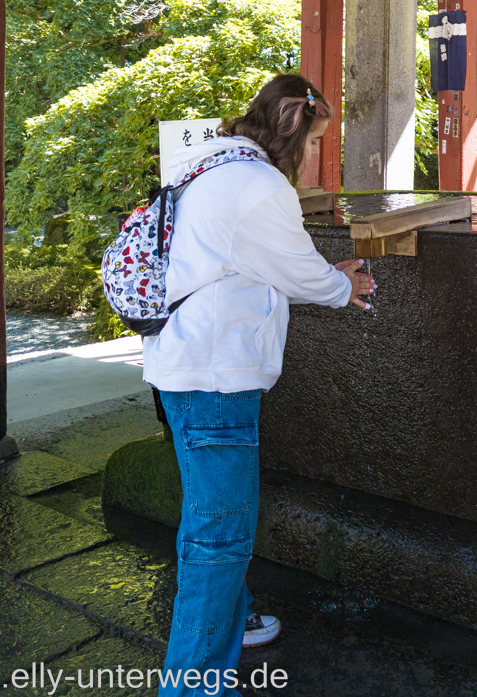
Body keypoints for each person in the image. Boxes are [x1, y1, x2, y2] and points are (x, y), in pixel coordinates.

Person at [142, 74, 375, 696]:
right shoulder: (261, 184)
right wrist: (342, 286)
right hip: (216, 378)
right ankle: (191, 687)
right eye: (319, 141)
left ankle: (236, 621)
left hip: (182, 366)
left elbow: (258, 258)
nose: (317, 155)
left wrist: (327, 275)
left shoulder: (210, 166)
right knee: (218, 538)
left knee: (210, 517)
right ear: (298, 128)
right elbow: (298, 270)